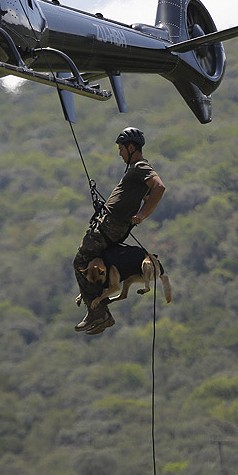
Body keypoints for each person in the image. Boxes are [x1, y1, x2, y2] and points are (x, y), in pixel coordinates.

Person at [73, 127, 166, 335]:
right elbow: (146, 193)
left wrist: (142, 214)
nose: (120, 153)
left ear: (131, 147)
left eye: (121, 148)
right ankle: (99, 307)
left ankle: (97, 313)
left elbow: (159, 187)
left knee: (80, 261)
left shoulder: (141, 166)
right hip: (114, 225)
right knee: (95, 264)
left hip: (109, 226)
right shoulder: (136, 171)